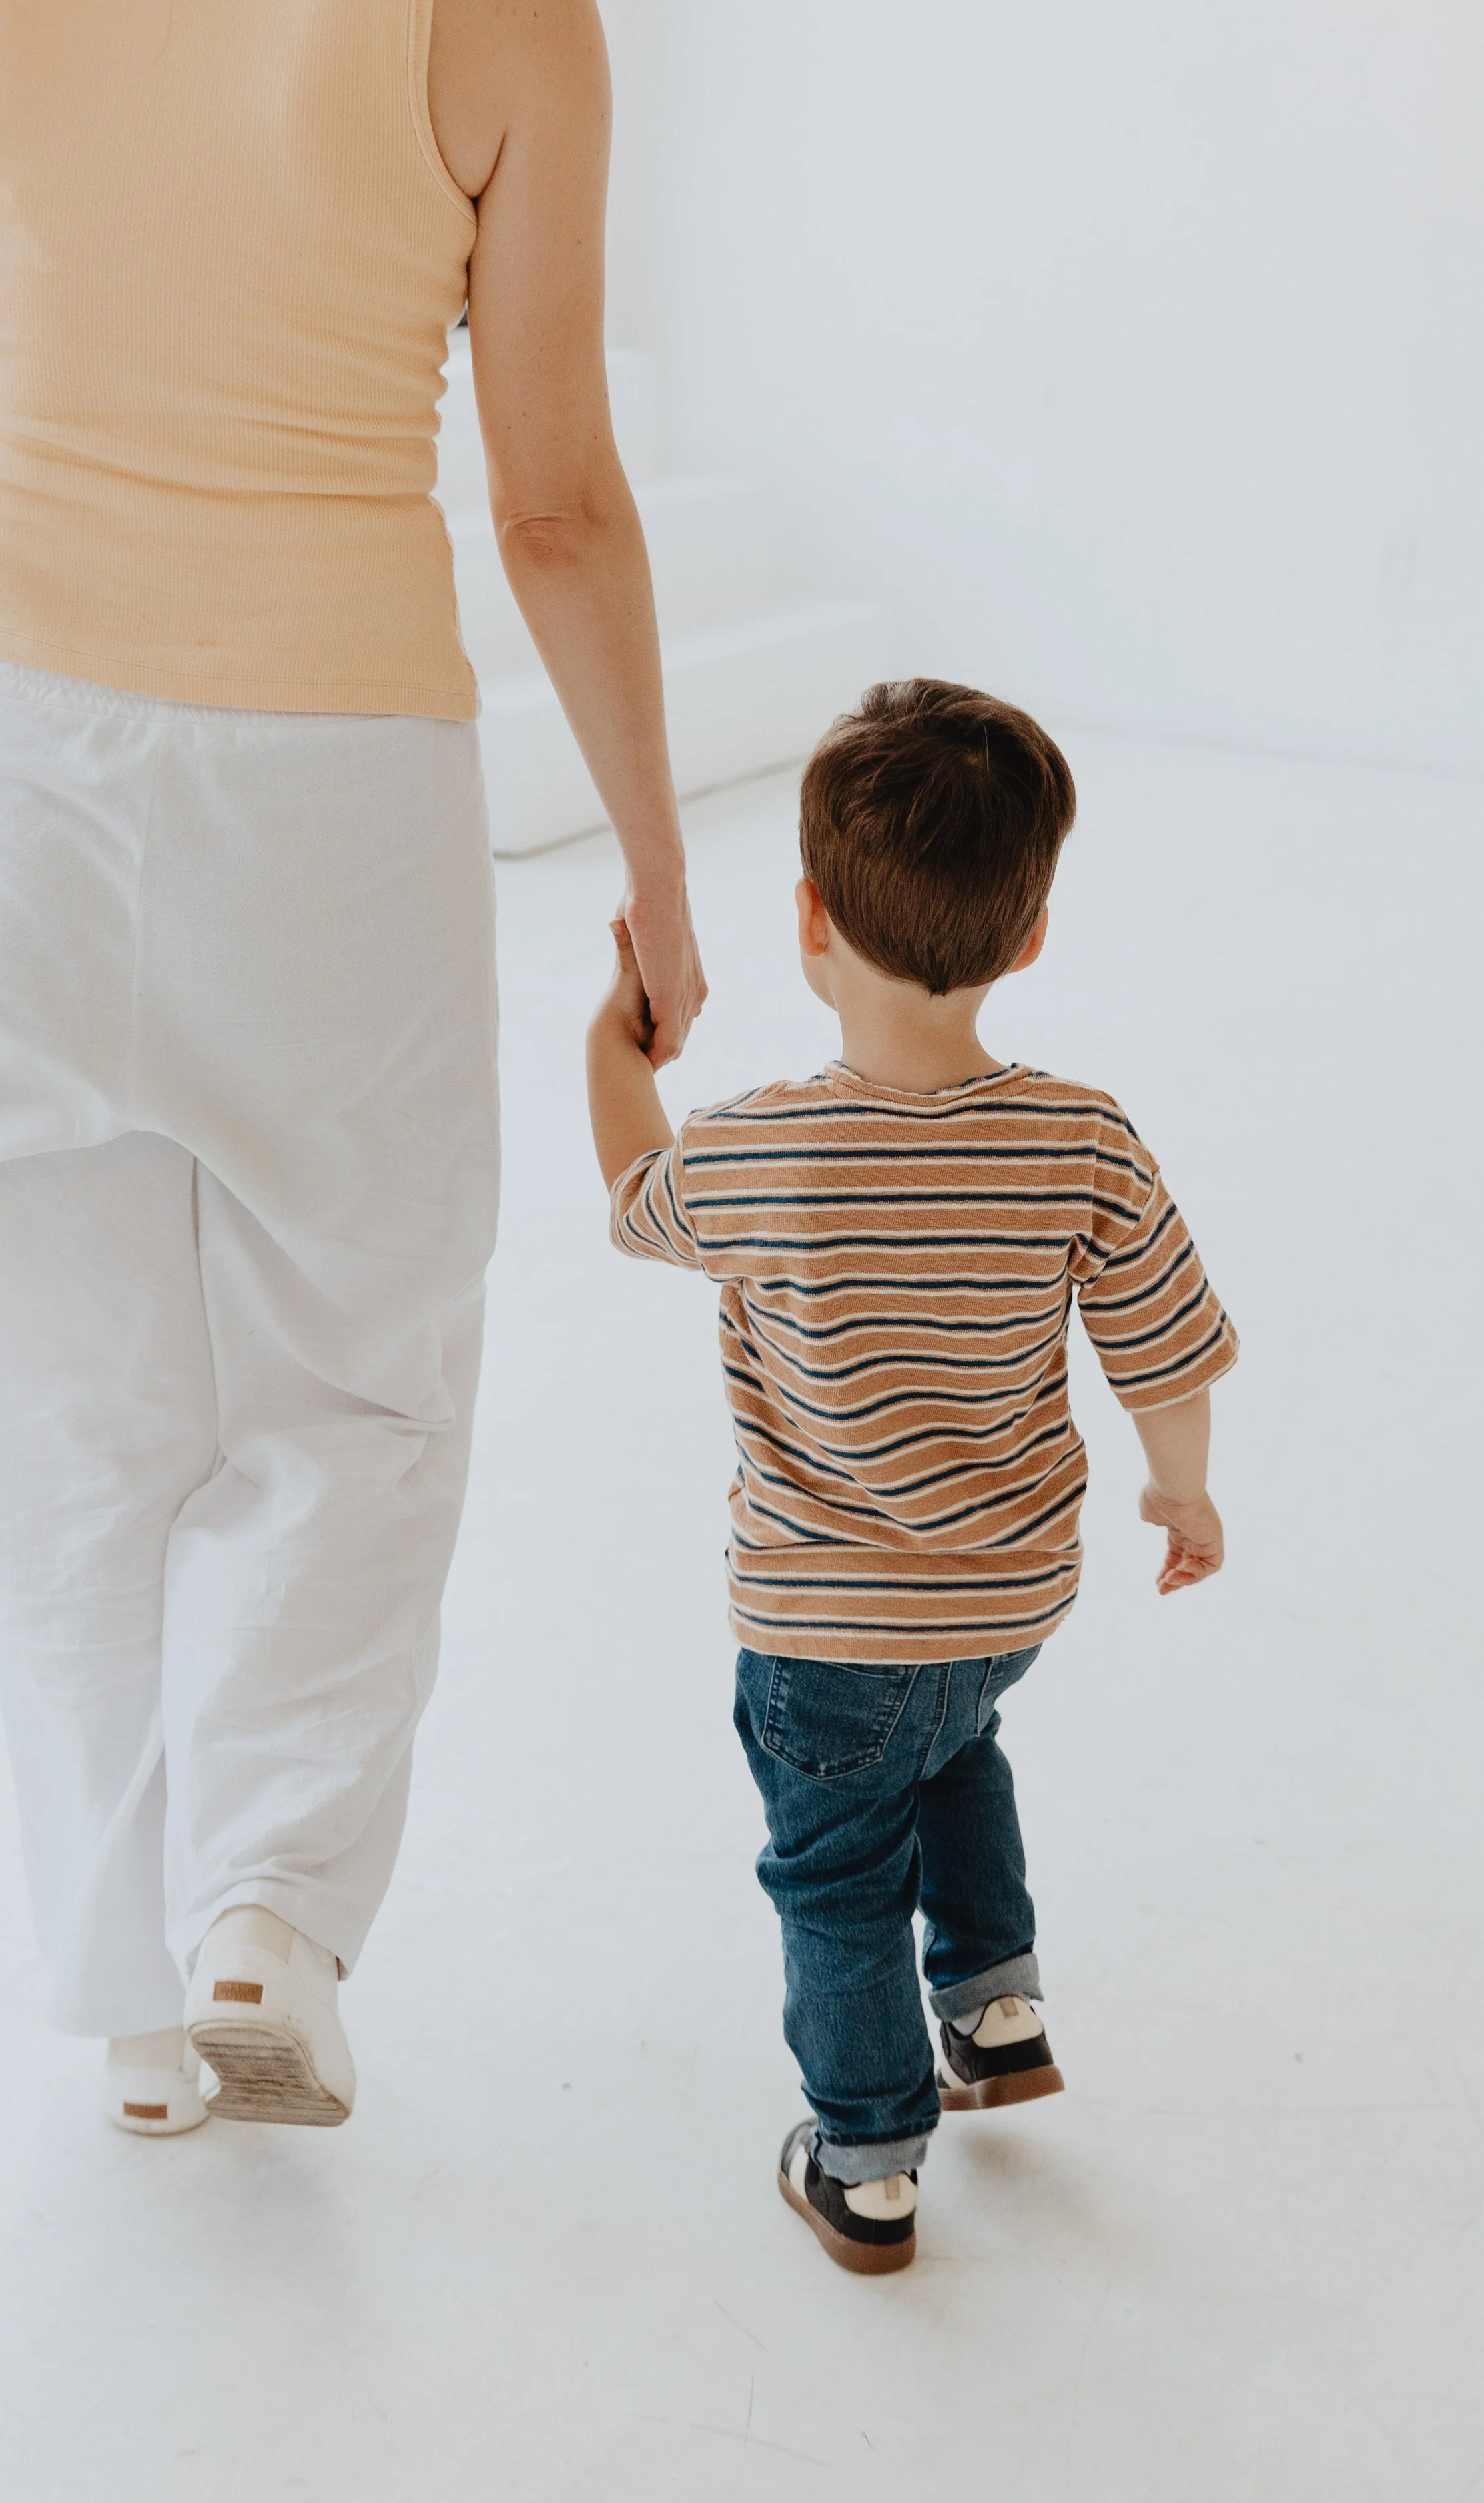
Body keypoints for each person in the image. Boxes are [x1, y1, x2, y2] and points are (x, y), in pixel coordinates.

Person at [0, 0, 704, 2135]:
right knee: (355, 1372)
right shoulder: (515, 23)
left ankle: (136, 1992)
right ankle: (261, 1916)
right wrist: (660, 877)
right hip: (334, 789)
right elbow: (555, 503)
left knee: (57, 1404)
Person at [587, 679, 1236, 2273]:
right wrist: (1180, 1494)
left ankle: (866, 2147)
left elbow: (629, 1196)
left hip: (821, 1626)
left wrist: (610, 1046)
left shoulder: (751, 1151)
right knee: (953, 1747)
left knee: (831, 1867)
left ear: (808, 919)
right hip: (1009, 1594)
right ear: (1025, 938)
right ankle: (996, 2003)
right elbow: (1161, 1344)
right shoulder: (1079, 1136)